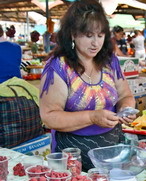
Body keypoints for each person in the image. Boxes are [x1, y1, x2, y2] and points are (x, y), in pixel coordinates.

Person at [39, 0, 136, 171]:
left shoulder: (109, 61)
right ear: (73, 34)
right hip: (73, 154)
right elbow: (49, 117)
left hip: (112, 150)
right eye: (89, 35)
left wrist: (126, 110)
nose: (95, 43)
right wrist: (92, 117)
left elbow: (125, 96)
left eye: (100, 35)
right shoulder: (58, 67)